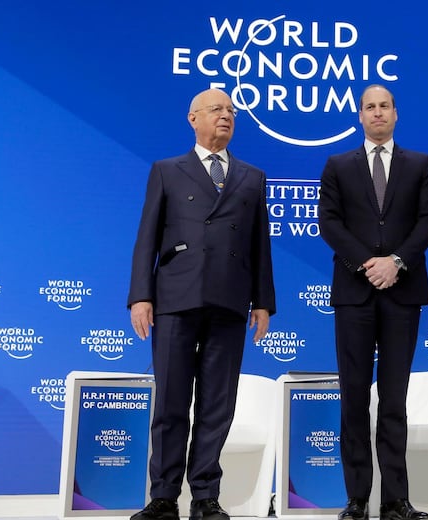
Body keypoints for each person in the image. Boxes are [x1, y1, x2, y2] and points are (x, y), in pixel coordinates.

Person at [127, 88, 276, 520]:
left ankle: (206, 496)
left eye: (231, 110)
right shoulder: (167, 170)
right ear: (193, 118)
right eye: (216, 110)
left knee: (217, 403)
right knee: (172, 401)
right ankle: (163, 496)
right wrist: (141, 295)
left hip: (230, 299)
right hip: (175, 297)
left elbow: (259, 245)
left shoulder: (252, 176)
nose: (226, 116)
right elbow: (147, 239)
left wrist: (263, 301)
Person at [318, 84, 428, 520]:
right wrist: (368, 263)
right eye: (369, 107)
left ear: (395, 113)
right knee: (353, 396)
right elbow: (328, 222)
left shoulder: (420, 165)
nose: (377, 113)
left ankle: (396, 501)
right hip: (354, 292)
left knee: (394, 398)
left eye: (384, 106)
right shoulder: (338, 165)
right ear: (360, 116)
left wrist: (397, 262)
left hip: (403, 292)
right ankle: (356, 499)